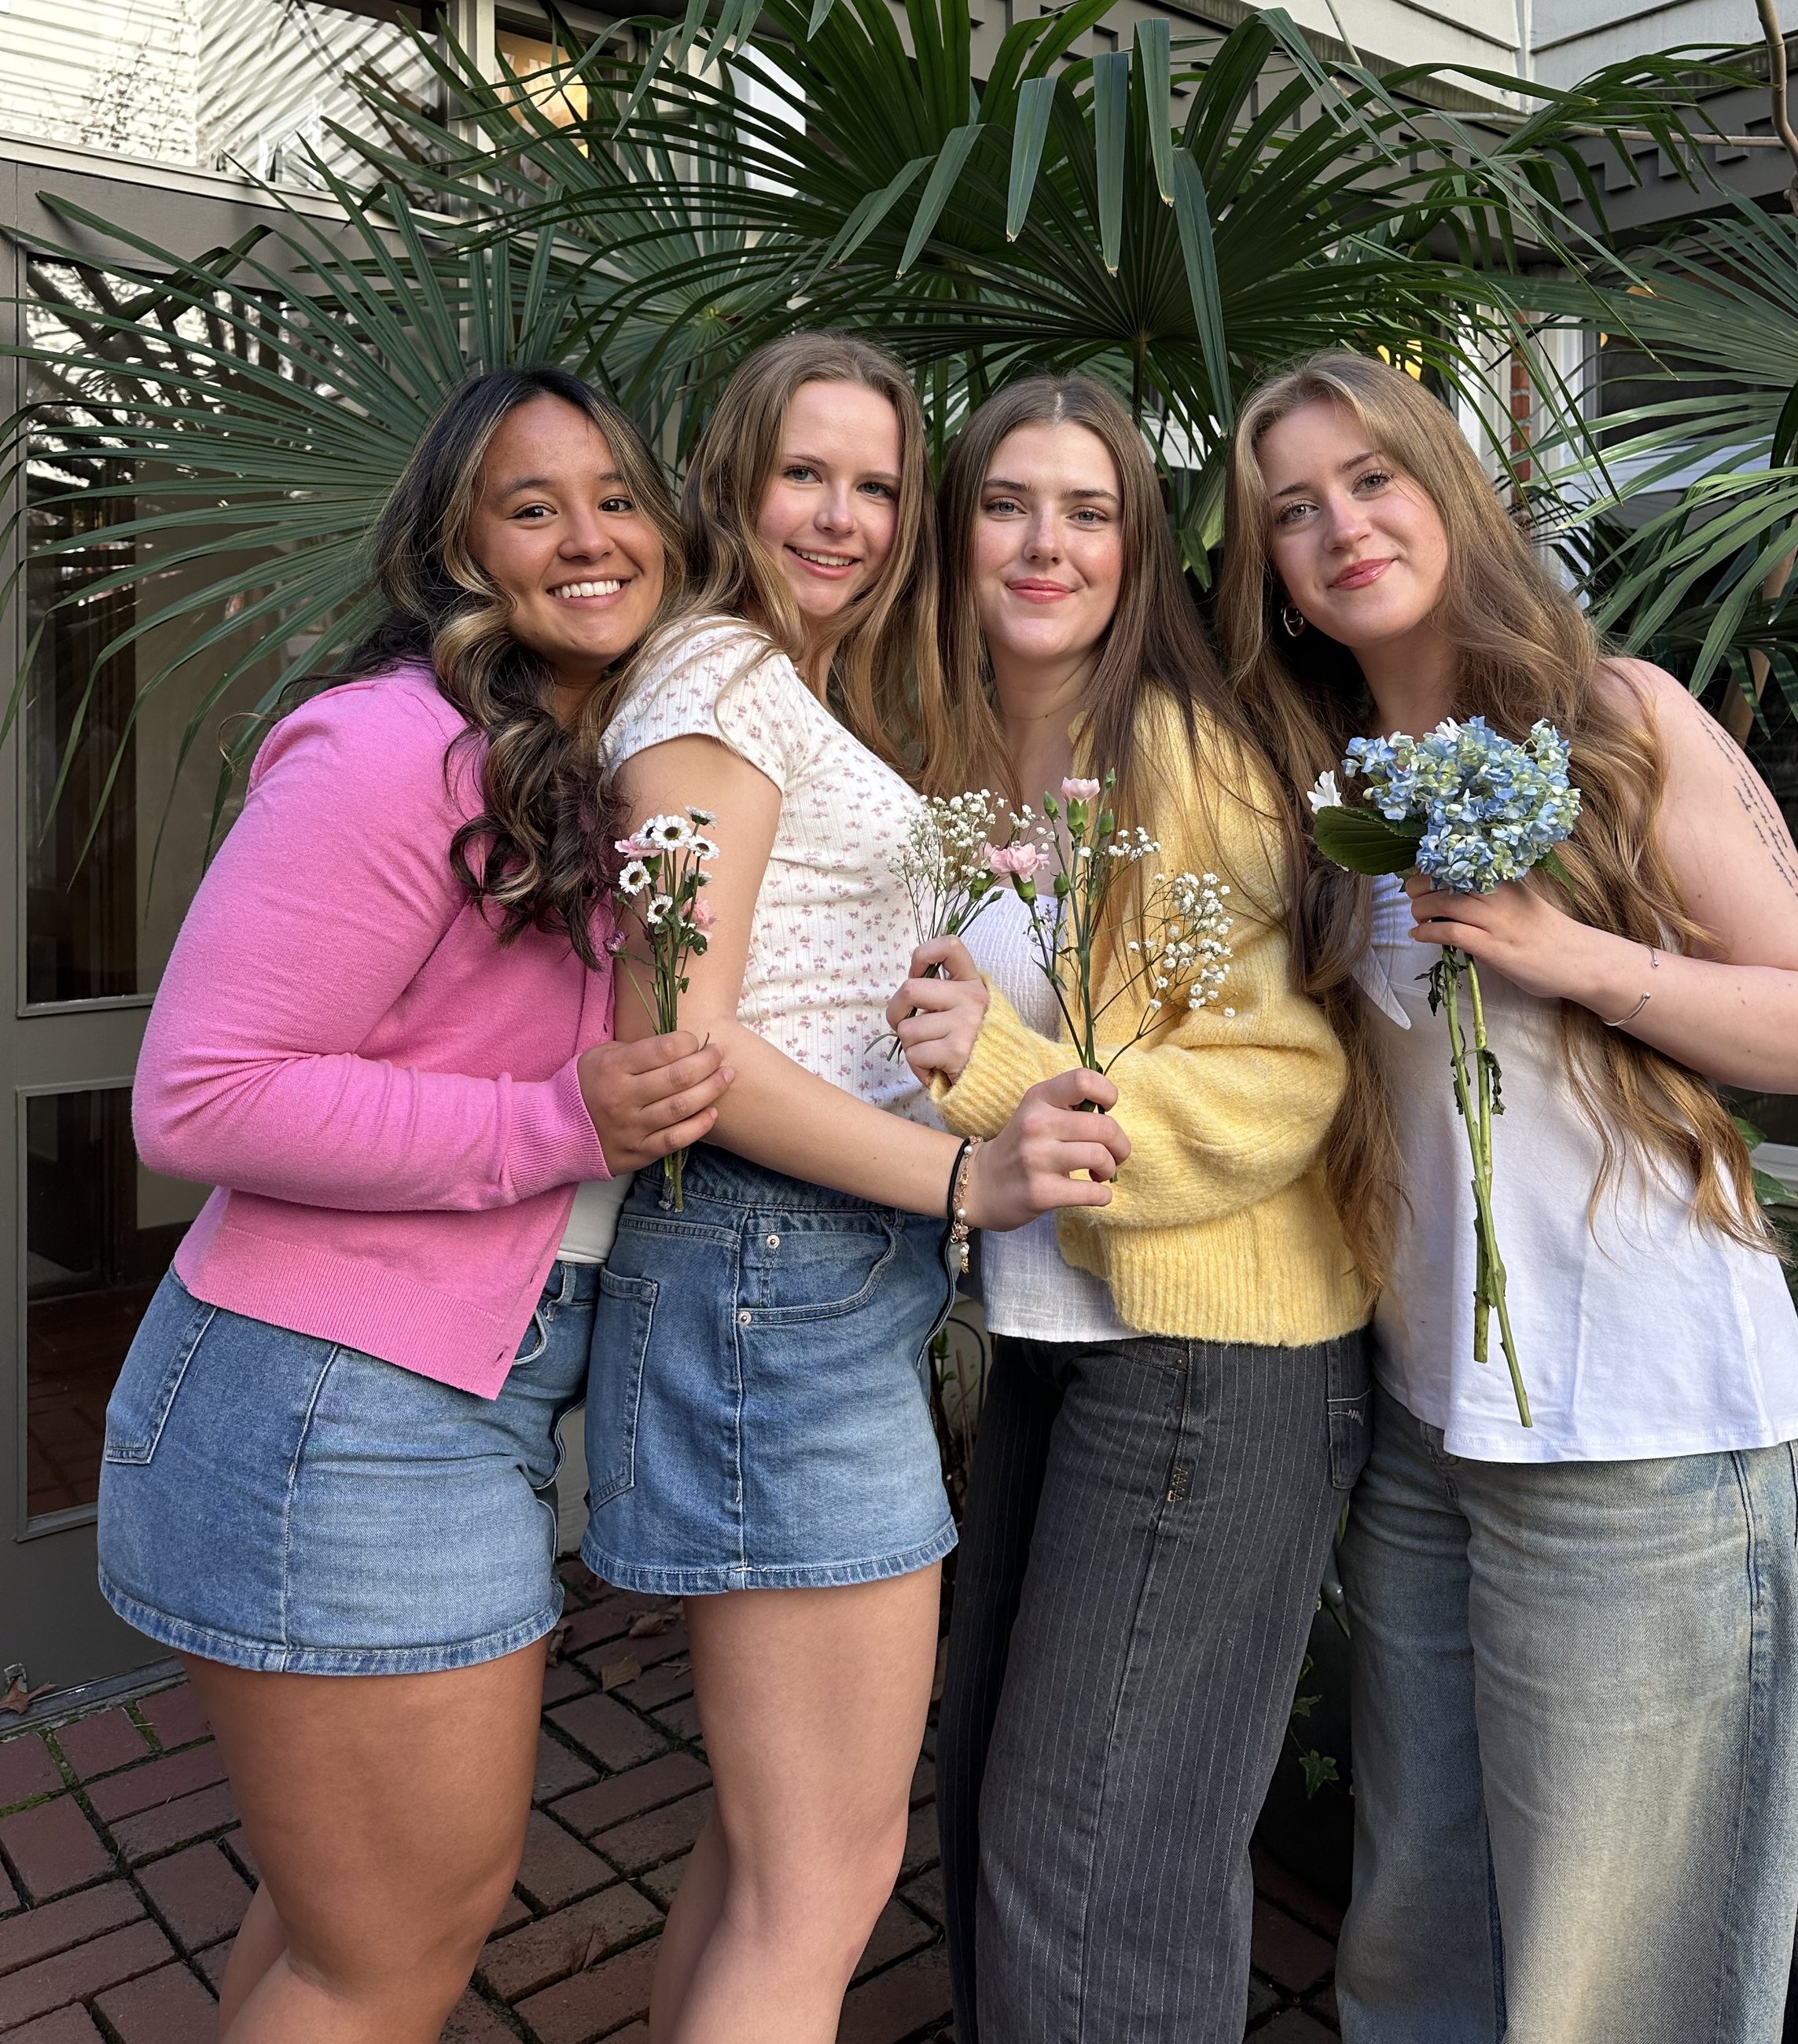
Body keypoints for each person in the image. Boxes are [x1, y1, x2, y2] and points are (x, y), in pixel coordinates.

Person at [1218, 349, 1798, 2044]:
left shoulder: (1620, 715)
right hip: (1433, 1434)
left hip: (1646, 1438)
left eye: (1369, 477)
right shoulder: (1326, 790)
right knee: (1414, 1940)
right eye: (1290, 507)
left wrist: (1570, 951)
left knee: (1616, 1983)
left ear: (1447, 479)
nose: (1339, 524)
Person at [97, 367, 730, 2044]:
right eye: (532, 507)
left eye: (615, 496)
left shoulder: (587, 763)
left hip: (431, 1392)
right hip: (334, 1399)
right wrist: (548, 1118)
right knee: (390, 1949)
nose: (588, 536)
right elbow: (202, 1091)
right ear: (456, 551)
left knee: (344, 1932)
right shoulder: (397, 746)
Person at [581, 332, 1127, 2044]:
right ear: (731, 474)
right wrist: (959, 1172)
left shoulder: (769, 686)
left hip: (800, 1279)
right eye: (803, 471)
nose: (842, 513)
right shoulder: (717, 691)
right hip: (775, 1274)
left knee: (770, 1860)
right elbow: (679, 1041)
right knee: (823, 1871)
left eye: (878, 481)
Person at [885, 373, 1371, 2044]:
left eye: (1087, 509)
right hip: (1054, 1338)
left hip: (1208, 1352)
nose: (1044, 541)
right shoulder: (954, 760)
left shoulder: (1170, 752)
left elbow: (1277, 1075)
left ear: (1137, 543)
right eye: (1007, 502)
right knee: (1007, 1824)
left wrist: (999, 1073)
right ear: (954, 533)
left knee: (1093, 1868)